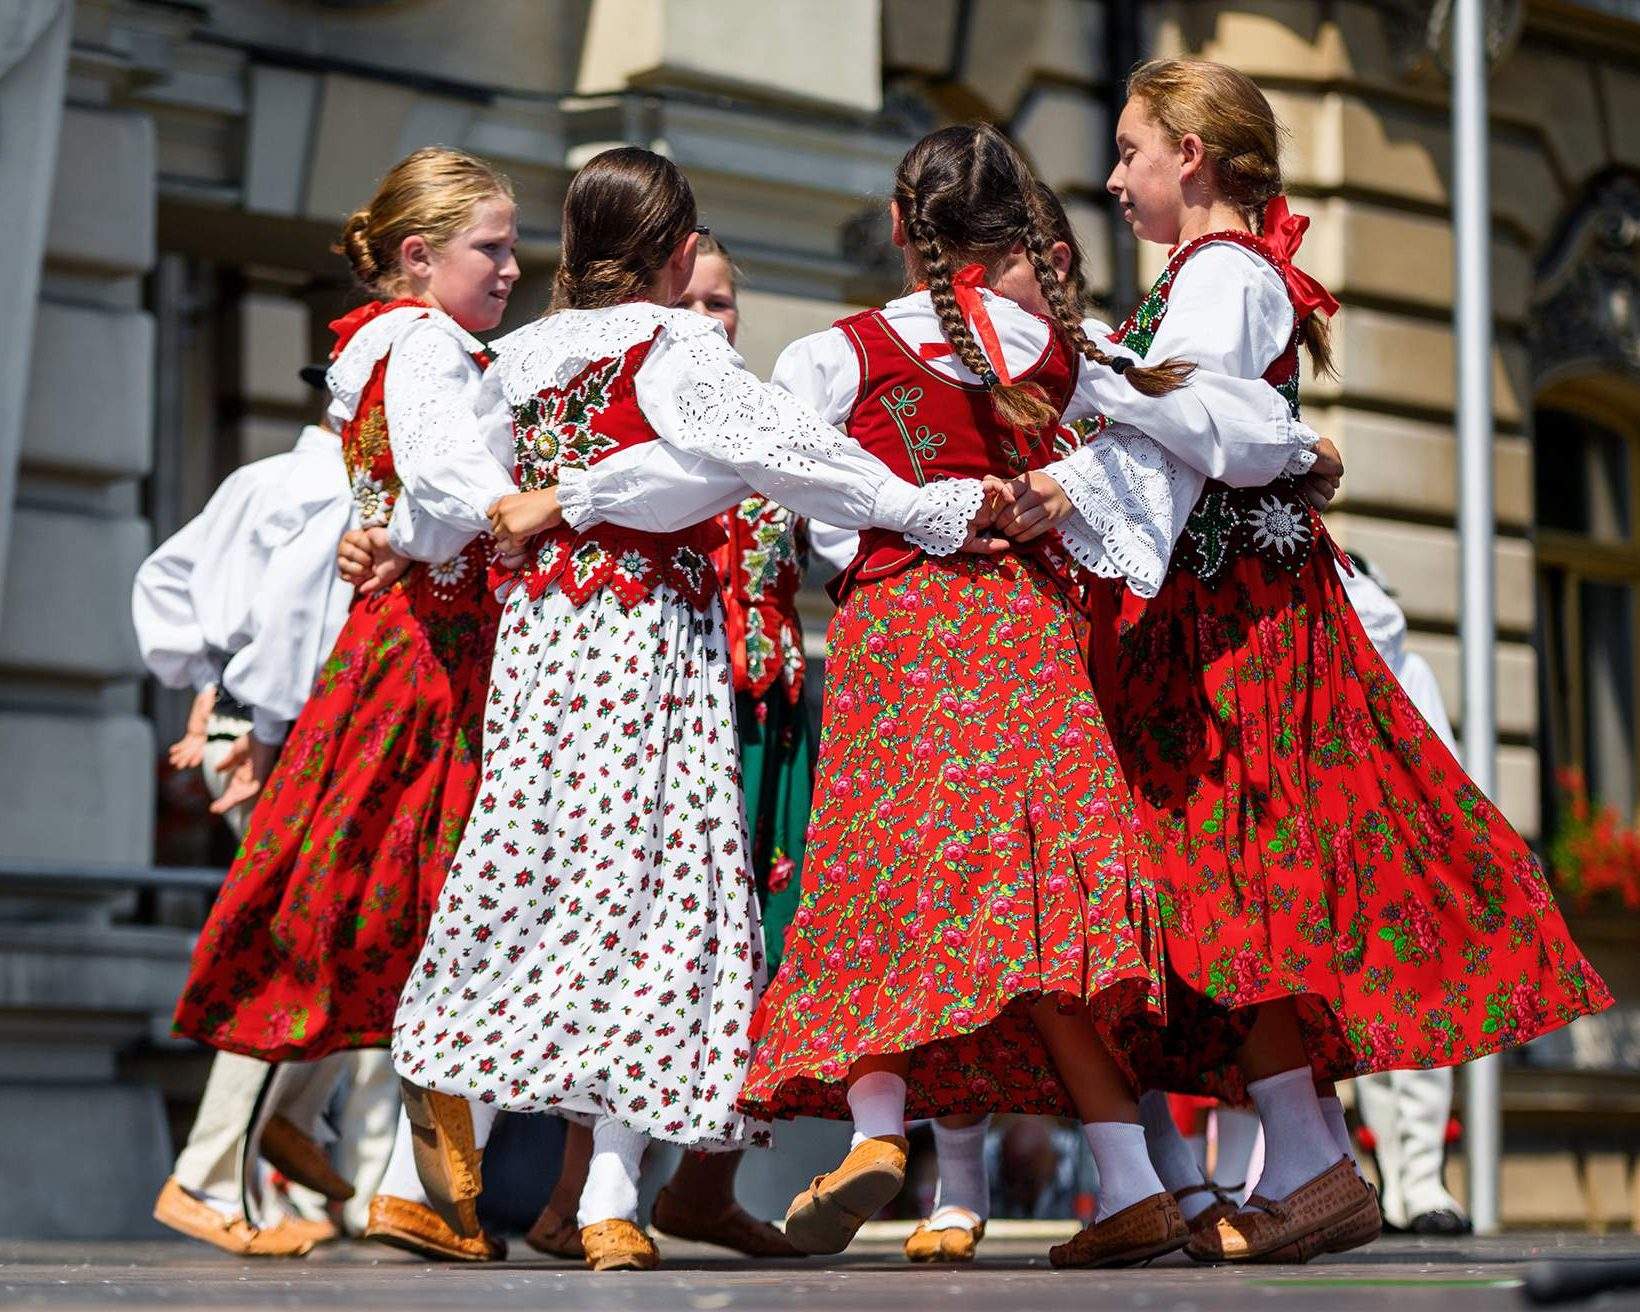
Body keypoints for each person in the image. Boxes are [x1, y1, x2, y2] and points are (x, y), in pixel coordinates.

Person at [996, 57, 1610, 1263]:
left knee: (1230, 878)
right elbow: (1187, 444)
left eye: (1131, 150)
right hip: (1217, 611)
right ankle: (1302, 1148)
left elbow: (1211, 432)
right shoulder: (1202, 277)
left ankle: (1309, 1154)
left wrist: (1090, 377)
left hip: (1234, 623)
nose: (1113, 175)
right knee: (1227, 883)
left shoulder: (1221, 275)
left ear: (1195, 155)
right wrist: (1073, 468)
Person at [387, 144, 996, 1272]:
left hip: (538, 644)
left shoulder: (508, 358)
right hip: (643, 641)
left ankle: (451, 1061)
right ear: (674, 254)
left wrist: (484, 515)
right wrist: (925, 507)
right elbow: (778, 452)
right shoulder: (669, 343)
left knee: (524, 860)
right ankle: (608, 1186)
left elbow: (441, 485)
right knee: (661, 891)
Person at [732, 122, 1326, 1269]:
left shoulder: (833, 352)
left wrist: (899, 507)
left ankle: (874, 1131)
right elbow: (1208, 426)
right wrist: (1299, 449)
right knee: (1046, 912)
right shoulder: (1070, 348)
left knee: (879, 882)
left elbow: (812, 512)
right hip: (1030, 636)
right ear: (1015, 232)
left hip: (901, 636)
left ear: (902, 230)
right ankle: (1131, 1176)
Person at [167, 146, 520, 1263]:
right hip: (415, 659)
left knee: (384, 906)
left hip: (423, 651)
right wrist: (530, 506)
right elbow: (443, 483)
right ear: (419, 259)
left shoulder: (417, 346)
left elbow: (419, 494)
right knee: (328, 898)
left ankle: (306, 1145)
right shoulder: (421, 347)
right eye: (492, 247)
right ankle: (213, 1164)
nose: (513, 267)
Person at [520, 232, 804, 1263]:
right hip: (660, 712)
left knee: (750, 961)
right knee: (631, 939)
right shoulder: (640, 431)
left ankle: (700, 1182)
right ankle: (580, 1194)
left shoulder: (760, 421)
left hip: (761, 733)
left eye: (724, 305)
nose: (710, 324)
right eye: (692, 305)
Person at [133, 403, 373, 1255]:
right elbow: (282, 628)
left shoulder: (281, 481)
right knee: (293, 947)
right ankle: (210, 1171)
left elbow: (167, 580)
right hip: (284, 734)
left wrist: (205, 685)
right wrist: (239, 712)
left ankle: (285, 1127)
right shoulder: (317, 487)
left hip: (280, 729)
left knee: (352, 938)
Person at [1340, 554, 1471, 1236]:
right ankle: (1398, 1182)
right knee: (1375, 1043)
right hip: (1352, 872)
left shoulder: (1406, 666)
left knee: (1419, 1033)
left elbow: (1441, 762)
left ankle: (1421, 1180)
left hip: (1407, 866)